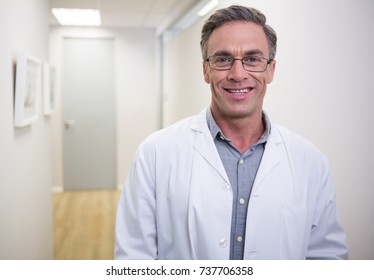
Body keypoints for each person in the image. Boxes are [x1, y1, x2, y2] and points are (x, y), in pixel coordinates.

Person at [115, 5, 348, 260]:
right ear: (206, 70)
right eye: (223, 59)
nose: (238, 74)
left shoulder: (310, 162)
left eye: (252, 59)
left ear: (270, 70)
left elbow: (327, 258)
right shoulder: (155, 153)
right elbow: (135, 259)